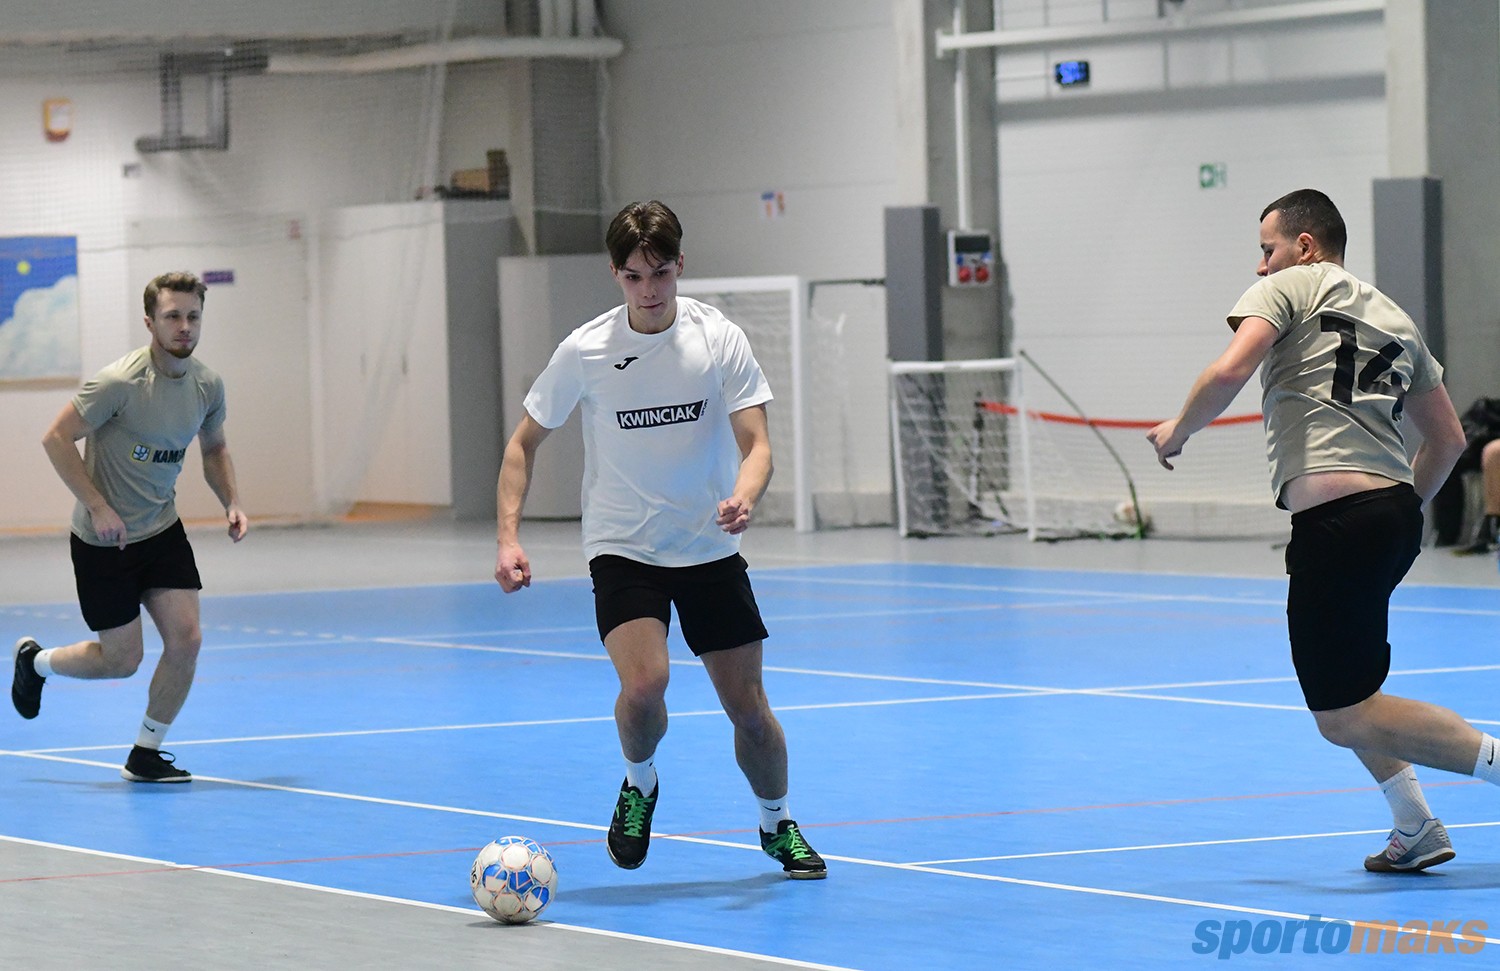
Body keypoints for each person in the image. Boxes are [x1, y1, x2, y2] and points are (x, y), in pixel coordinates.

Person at [1148, 188, 1500, 872]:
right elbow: (1450, 440)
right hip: (1390, 517)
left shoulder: (1290, 288)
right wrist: (1400, 511)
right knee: (1352, 686)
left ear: (1305, 247)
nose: (1261, 266)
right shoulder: (1394, 315)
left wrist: (1179, 428)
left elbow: (1231, 368)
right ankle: (1415, 825)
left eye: (1268, 249)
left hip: (1338, 525)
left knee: (1343, 715)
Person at [494, 200, 826, 879]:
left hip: (708, 546)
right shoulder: (585, 349)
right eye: (634, 276)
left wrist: (745, 494)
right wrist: (508, 539)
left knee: (750, 712)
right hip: (624, 545)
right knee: (646, 683)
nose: (649, 290)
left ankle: (777, 823)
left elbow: (758, 445)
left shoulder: (718, 338)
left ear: (680, 265)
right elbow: (523, 443)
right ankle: (638, 783)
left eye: (661, 273)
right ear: (615, 274)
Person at [12, 271, 248, 783]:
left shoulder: (207, 385)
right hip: (104, 540)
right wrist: (97, 506)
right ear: (150, 322)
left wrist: (231, 500)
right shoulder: (119, 382)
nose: (184, 326)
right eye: (173, 316)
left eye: (193, 316)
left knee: (186, 640)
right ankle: (37, 662)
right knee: (122, 661)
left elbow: (215, 448)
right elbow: (56, 438)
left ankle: (146, 752)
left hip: (161, 529)